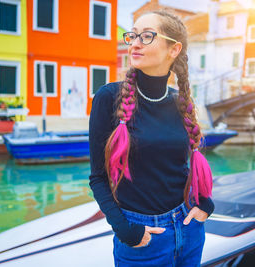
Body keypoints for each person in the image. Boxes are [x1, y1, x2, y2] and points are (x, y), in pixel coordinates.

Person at [89, 10, 214, 266]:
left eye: (146, 36)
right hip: (143, 237)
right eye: (132, 35)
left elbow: (184, 168)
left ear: (173, 49)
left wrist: (205, 204)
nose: (135, 43)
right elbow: (98, 177)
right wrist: (126, 230)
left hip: (188, 228)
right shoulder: (108, 97)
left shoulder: (180, 102)